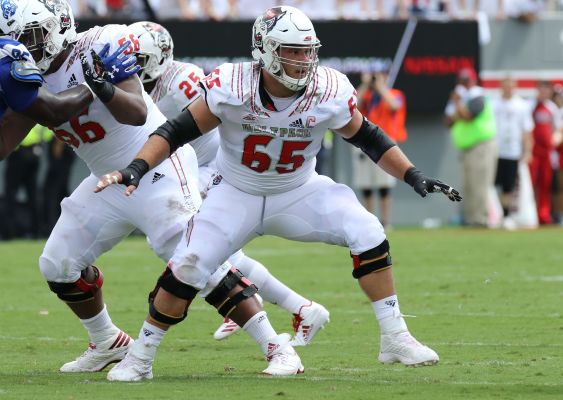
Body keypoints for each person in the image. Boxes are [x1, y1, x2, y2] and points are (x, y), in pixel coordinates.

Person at [97, 6, 461, 381]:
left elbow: (368, 136)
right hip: (236, 192)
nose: (304, 61)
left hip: (298, 190)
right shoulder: (232, 85)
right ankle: (140, 356)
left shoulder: (327, 89)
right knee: (188, 264)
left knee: (368, 230)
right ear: (265, 49)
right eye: (293, 51)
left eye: (308, 51)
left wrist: (412, 174)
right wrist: (136, 168)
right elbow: (175, 132)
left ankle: (396, 337)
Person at [0, 0, 215, 375]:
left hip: (154, 163)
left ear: (59, 24)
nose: (24, 46)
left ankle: (273, 341)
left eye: (31, 35)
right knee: (58, 263)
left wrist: (94, 86)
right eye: (15, 38)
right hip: (105, 182)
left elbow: (137, 113)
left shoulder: (96, 44)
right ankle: (107, 342)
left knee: (191, 254)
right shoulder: (27, 78)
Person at [128, 20, 329, 345]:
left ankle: (276, 305)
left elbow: (223, 114)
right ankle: (295, 307)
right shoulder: (135, 86)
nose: (131, 68)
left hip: (210, 164)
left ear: (159, 56)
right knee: (201, 246)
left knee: (182, 240)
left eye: (138, 60)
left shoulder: (184, 81)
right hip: (187, 167)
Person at [354, 68, 407, 229]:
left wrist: (381, 87)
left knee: (384, 185)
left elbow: (394, 106)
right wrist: (365, 84)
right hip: (363, 141)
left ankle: (385, 221)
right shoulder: (367, 96)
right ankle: (369, 221)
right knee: (366, 185)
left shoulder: (395, 93)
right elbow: (353, 104)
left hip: (385, 141)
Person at [445, 67, 497, 227]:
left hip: (481, 146)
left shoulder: (478, 96)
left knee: (479, 184)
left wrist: (457, 103)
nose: (463, 84)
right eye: (461, 81)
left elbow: (467, 116)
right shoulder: (460, 99)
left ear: (473, 81)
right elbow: (448, 122)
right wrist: (456, 105)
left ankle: (480, 219)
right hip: (467, 148)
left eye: (466, 81)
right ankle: (470, 218)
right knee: (468, 185)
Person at [491, 77, 533, 222]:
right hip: (494, 151)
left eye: (511, 86)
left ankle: (506, 215)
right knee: (491, 184)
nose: (508, 89)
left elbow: (526, 130)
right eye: (505, 86)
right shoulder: (493, 104)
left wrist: (527, 151)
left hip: (512, 151)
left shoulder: (521, 105)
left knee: (507, 186)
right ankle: (492, 214)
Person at [2, 124, 52, 239]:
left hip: (17, 152)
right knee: (33, 193)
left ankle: (8, 233)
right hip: (35, 151)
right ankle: (36, 231)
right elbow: (48, 133)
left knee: (10, 193)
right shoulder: (37, 111)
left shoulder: (17, 108)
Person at [530, 80, 563, 225]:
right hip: (533, 151)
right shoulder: (530, 106)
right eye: (541, 89)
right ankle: (529, 214)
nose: (543, 92)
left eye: (546, 89)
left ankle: (543, 215)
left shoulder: (552, 108)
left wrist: (554, 140)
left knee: (545, 183)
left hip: (547, 153)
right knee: (530, 182)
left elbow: (559, 129)